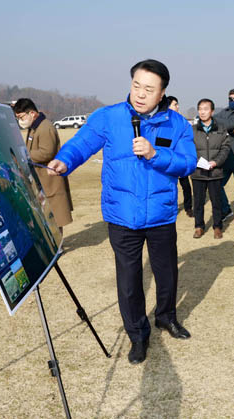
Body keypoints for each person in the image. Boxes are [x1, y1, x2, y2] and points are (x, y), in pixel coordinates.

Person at [48, 59, 196, 364]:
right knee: (129, 281)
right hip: (121, 216)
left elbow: (187, 163)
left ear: (162, 92)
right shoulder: (108, 117)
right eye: (136, 86)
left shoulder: (177, 124)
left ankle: (166, 317)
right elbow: (81, 144)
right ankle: (137, 335)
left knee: (166, 274)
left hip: (161, 215)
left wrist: (156, 154)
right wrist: (65, 160)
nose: (140, 94)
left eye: (149, 89)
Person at [13, 98, 73, 233]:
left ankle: (58, 246)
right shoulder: (35, 127)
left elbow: (47, 152)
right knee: (46, 213)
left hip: (50, 179)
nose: (20, 120)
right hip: (40, 179)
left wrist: (24, 155)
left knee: (54, 214)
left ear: (32, 113)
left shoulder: (45, 127)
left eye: (21, 116)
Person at [190, 98, 230, 239]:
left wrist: (216, 162)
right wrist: (195, 161)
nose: (202, 112)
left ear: (212, 111)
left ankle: (217, 227)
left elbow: (225, 148)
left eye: (206, 109)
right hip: (198, 173)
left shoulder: (220, 128)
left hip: (215, 172)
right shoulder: (192, 130)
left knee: (216, 202)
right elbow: (188, 149)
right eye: (200, 109)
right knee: (198, 202)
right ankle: (199, 226)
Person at [214, 88, 234, 226]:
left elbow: (231, 123)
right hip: (226, 156)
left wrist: (226, 125)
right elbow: (215, 120)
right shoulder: (225, 111)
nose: (232, 101)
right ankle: (226, 210)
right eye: (230, 99)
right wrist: (228, 126)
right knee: (217, 185)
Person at [168, 96, 193, 217]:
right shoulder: (163, 121)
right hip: (168, 159)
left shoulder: (182, 121)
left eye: (177, 104)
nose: (177, 107)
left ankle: (188, 207)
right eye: (175, 104)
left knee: (186, 186)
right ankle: (171, 208)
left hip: (180, 159)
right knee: (170, 186)